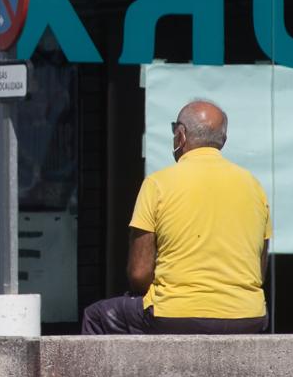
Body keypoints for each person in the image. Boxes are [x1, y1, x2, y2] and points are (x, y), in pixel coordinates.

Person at [80, 99, 270, 335]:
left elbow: (139, 273)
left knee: (97, 316)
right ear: (223, 141)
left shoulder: (158, 184)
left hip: (175, 314)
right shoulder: (253, 185)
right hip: (248, 315)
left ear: (180, 136)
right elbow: (260, 269)